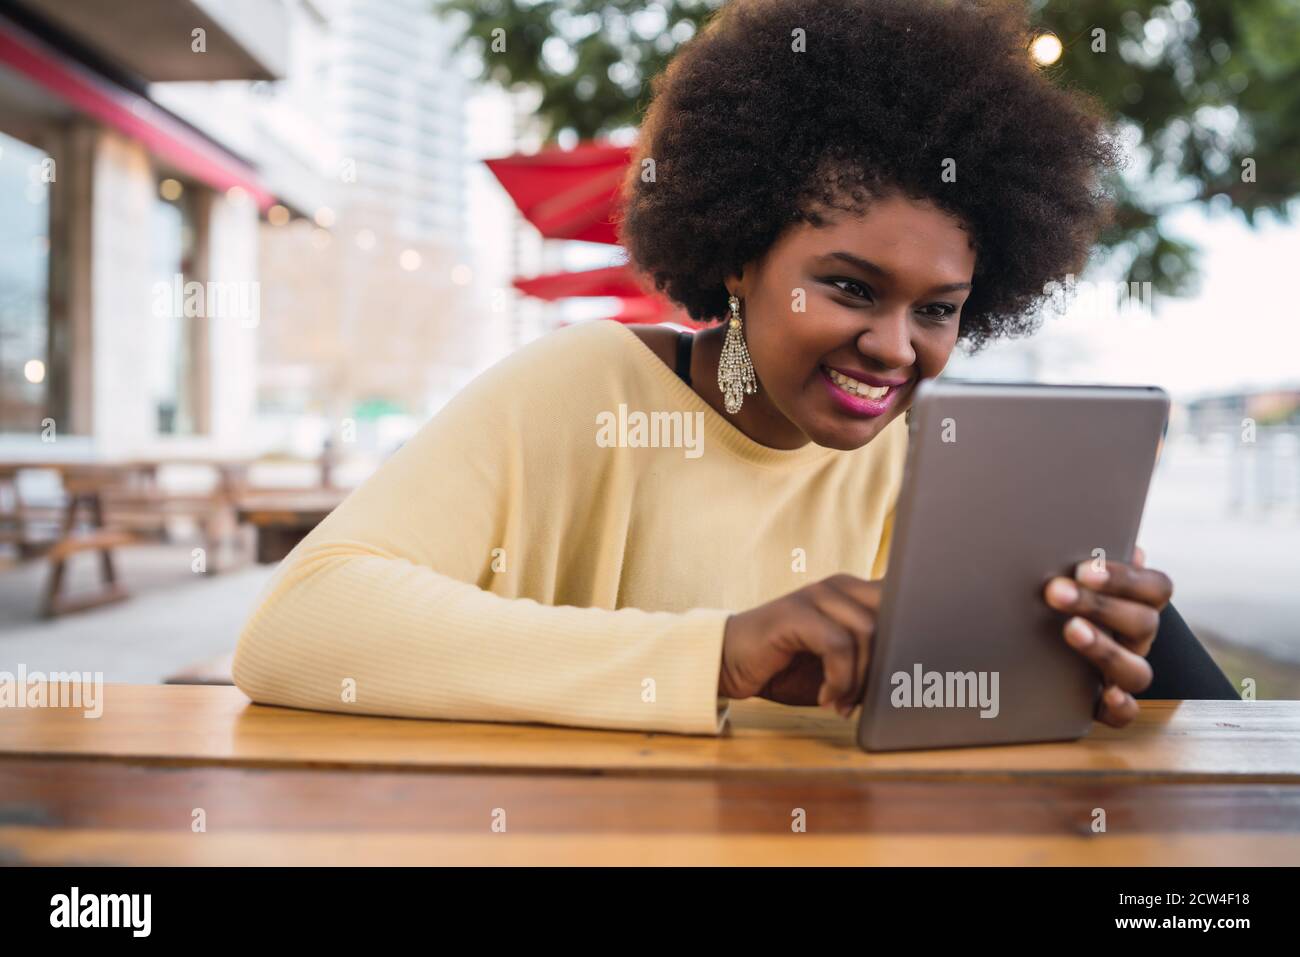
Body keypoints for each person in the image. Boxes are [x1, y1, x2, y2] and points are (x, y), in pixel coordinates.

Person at [232, 0, 1237, 736]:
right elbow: (299, 625)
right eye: (847, 288)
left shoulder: (936, 464)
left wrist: (1118, 671)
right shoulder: (583, 388)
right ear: (736, 255)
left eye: (936, 311)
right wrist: (712, 650)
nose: (894, 347)